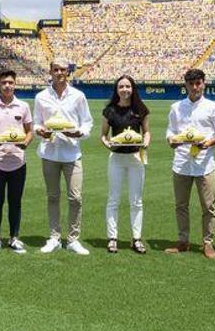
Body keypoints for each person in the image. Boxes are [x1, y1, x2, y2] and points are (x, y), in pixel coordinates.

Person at [164, 68, 215, 259]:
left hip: (204, 163)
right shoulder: (176, 107)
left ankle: (207, 243)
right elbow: (170, 131)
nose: (194, 87)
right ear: (186, 86)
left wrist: (208, 143)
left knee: (208, 206)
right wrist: (172, 141)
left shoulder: (213, 107)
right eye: (191, 84)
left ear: (203, 83)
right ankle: (183, 241)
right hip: (182, 161)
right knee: (181, 205)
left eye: (198, 83)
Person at [33, 59, 93, 256]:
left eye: (63, 70)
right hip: (49, 152)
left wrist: (78, 133)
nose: (59, 73)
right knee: (52, 196)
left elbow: (87, 123)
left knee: (75, 197)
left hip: (72, 153)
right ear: (50, 71)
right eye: (56, 69)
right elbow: (36, 123)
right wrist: (40, 131)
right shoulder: (41, 96)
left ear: (68, 72)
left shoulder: (78, 96)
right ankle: (54, 237)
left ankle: (73, 239)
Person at [0, 69, 34, 255]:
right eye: (4, 82)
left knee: (15, 201)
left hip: (18, 161)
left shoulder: (23, 106)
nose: (7, 85)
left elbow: (29, 131)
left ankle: (14, 238)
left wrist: (26, 142)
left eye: (10, 82)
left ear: (15, 84)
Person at [100, 75, 151, 254]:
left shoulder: (141, 109)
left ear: (132, 88)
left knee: (136, 201)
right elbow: (104, 135)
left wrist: (146, 142)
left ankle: (136, 239)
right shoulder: (110, 111)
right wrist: (108, 145)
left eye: (127, 86)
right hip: (116, 159)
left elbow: (146, 133)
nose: (124, 90)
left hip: (136, 158)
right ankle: (112, 238)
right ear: (116, 89)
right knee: (113, 199)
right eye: (121, 87)